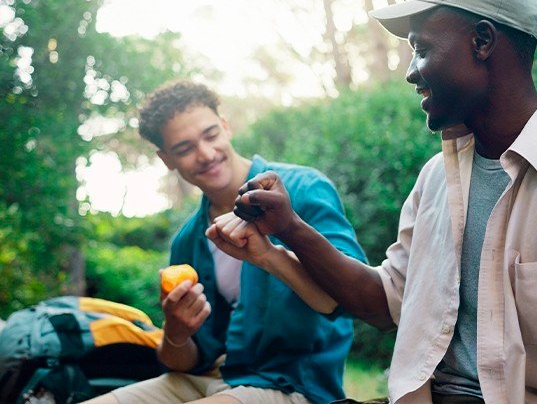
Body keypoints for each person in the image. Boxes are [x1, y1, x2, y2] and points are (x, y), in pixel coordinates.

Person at [207, 0, 537, 403]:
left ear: (482, 41)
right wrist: (290, 229)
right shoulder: (436, 179)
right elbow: (386, 301)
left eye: (422, 49)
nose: (411, 72)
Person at [84, 80, 366, 404]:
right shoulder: (187, 241)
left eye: (210, 135)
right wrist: (176, 332)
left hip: (291, 384)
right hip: (207, 378)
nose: (205, 154)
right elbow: (185, 360)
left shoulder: (303, 189)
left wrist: (272, 257)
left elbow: (351, 298)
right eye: (185, 148)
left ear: (225, 126)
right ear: (166, 159)